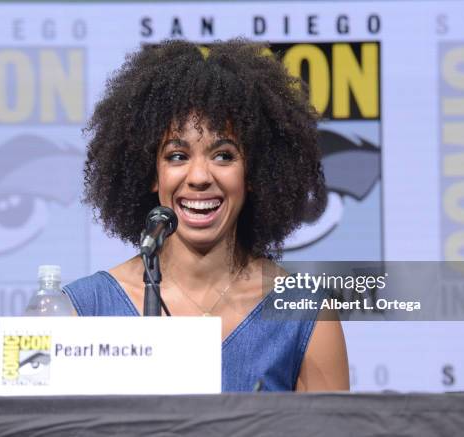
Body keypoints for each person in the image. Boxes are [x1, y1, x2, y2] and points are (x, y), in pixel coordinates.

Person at [64, 39, 349, 392]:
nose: (199, 177)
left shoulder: (305, 315)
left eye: (224, 155)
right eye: (177, 156)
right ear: (151, 174)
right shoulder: (83, 309)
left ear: (256, 174)